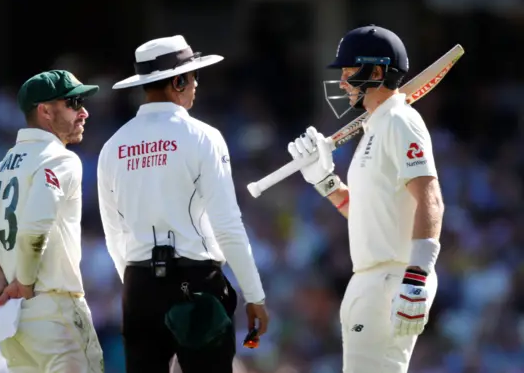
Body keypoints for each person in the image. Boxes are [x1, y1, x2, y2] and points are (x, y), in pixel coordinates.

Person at [98, 35, 269, 373]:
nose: (195, 85)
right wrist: (255, 296)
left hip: (138, 285)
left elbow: (113, 235)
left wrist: (138, 288)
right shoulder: (202, 136)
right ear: (177, 81)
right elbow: (227, 225)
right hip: (196, 282)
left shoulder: (112, 147)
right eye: (192, 77)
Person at [287, 25, 445, 373]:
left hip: (393, 276)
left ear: (376, 71)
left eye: (348, 72)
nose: (342, 82)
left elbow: (429, 196)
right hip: (370, 279)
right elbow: (364, 215)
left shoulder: (401, 120)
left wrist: (417, 275)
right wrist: (325, 181)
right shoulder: (375, 128)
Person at [0, 70, 105, 373]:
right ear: (45, 111)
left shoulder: (1, 169)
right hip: (52, 309)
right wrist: (24, 282)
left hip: (13, 320)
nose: (84, 112)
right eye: (73, 102)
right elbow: (35, 228)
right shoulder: (60, 159)